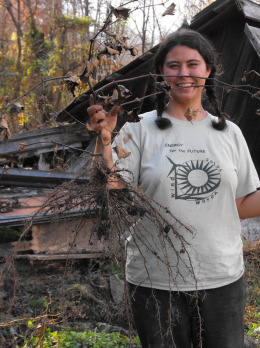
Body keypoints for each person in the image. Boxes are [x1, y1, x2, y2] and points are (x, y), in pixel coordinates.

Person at [87, 28, 260, 348]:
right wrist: (105, 143)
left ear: (208, 71)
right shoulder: (138, 130)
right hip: (155, 283)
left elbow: (242, 203)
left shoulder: (230, 133)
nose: (184, 73)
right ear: (161, 73)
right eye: (174, 65)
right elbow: (113, 196)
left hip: (222, 279)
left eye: (193, 64)